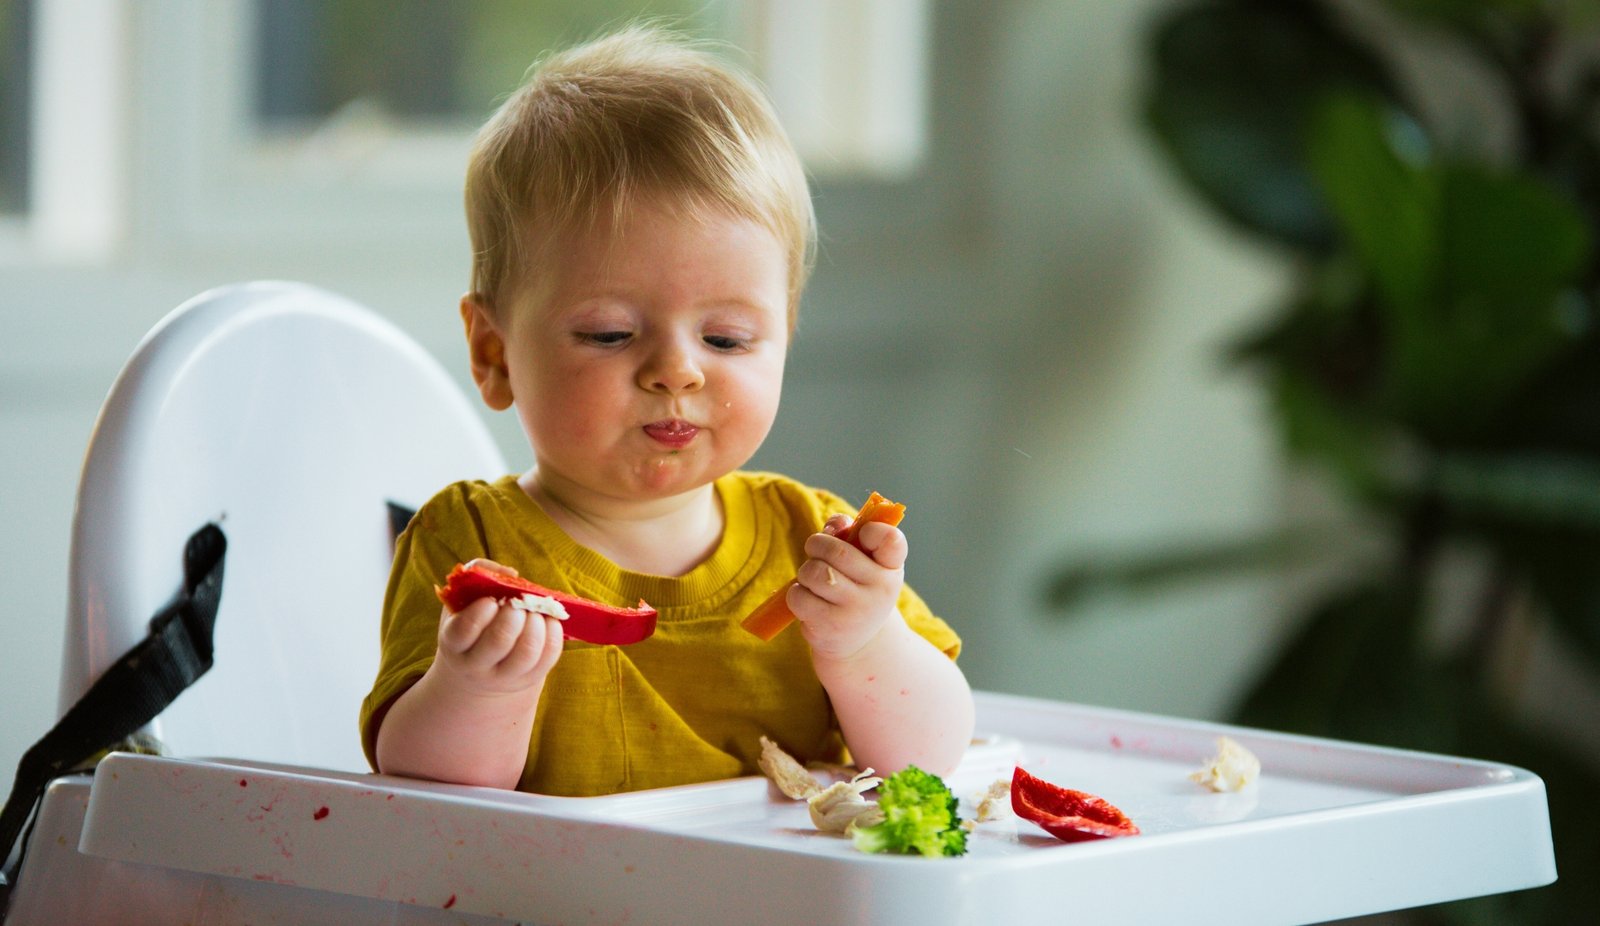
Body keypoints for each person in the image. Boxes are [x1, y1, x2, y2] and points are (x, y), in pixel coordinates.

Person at [360, 25, 974, 797]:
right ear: (494, 352)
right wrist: (480, 689)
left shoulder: (810, 539)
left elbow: (931, 758)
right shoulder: (470, 544)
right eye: (610, 334)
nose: (676, 371)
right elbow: (421, 797)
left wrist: (861, 643)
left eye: (727, 337)